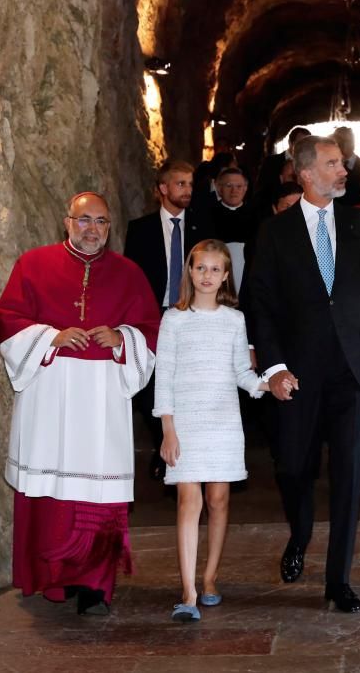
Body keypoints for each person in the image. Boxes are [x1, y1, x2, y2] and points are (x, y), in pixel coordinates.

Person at [247, 135, 360, 613]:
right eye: (334, 164)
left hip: (352, 371)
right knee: (293, 466)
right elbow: (261, 305)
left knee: (349, 474)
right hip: (297, 373)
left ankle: (338, 579)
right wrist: (273, 368)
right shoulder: (274, 233)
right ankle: (300, 533)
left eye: (343, 162)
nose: (344, 170)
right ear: (306, 173)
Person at [0, 192, 160, 615]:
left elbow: (151, 328)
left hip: (102, 394)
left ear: (110, 226)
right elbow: (10, 319)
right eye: (84, 220)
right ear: (67, 223)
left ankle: (94, 583)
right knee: (51, 492)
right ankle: (51, 578)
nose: (92, 229)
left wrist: (123, 338)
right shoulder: (32, 265)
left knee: (97, 492)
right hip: (50, 391)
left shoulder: (128, 273)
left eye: (101, 221)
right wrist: (52, 336)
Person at [153, 240, 268, 622]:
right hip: (185, 422)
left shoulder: (234, 320)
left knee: (219, 500)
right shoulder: (173, 319)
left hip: (222, 421)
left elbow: (240, 371)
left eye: (214, 269)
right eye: (200, 268)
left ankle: (210, 578)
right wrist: (168, 430)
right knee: (190, 500)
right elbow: (163, 377)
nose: (206, 276)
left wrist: (264, 385)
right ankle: (187, 591)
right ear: (190, 271)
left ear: (225, 275)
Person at [125, 160, 215, 481]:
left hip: (193, 315)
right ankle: (163, 442)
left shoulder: (204, 226)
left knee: (189, 384)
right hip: (155, 316)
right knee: (152, 385)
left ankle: (187, 448)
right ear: (163, 189)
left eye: (190, 184)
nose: (187, 190)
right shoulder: (140, 229)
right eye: (180, 184)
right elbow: (132, 279)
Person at [333, 126, 360, 206]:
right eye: (338, 141)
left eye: (344, 141)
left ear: (353, 143)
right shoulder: (330, 167)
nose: (340, 145)